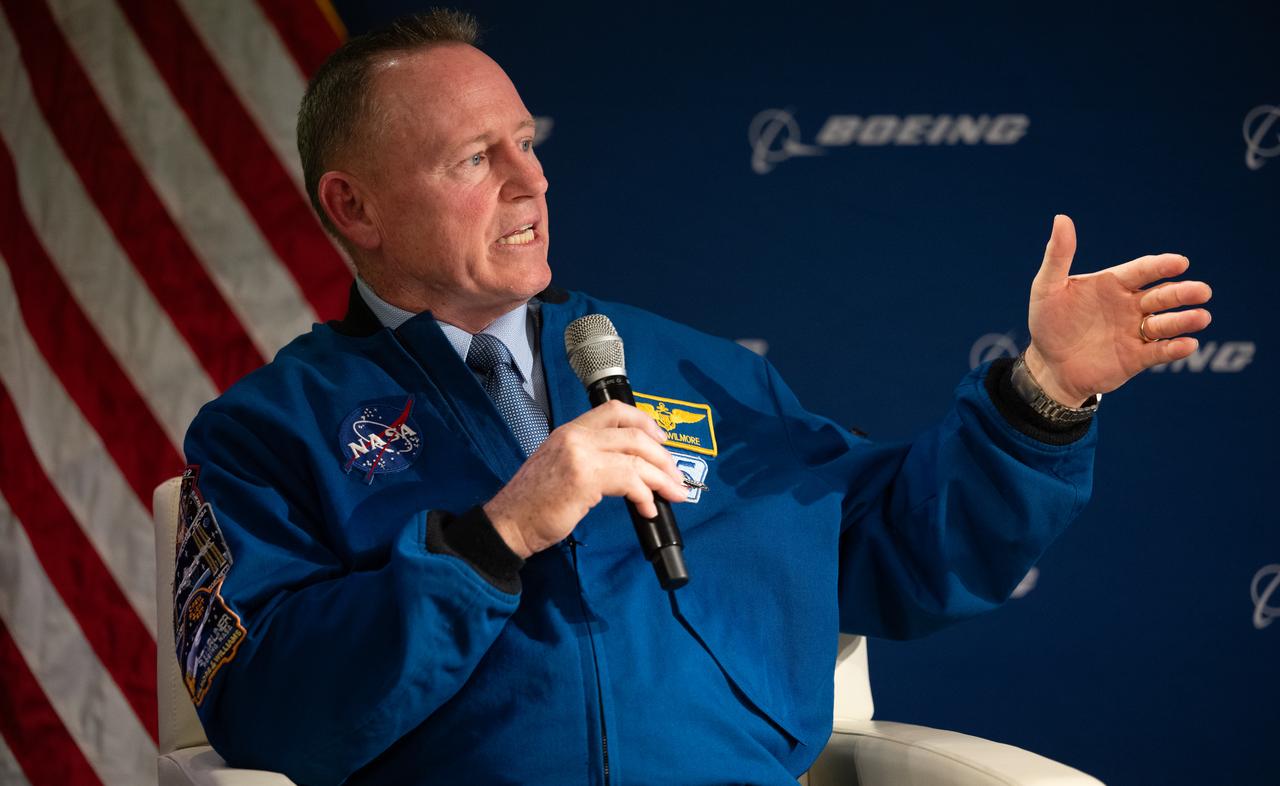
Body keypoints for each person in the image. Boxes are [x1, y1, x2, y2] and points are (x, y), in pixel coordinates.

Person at [177, 10, 1213, 786]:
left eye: (525, 144)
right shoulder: (267, 437)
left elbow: (898, 548)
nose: (529, 183)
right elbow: (270, 714)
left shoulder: (693, 369)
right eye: (472, 160)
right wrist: (491, 538)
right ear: (350, 206)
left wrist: (1040, 394)